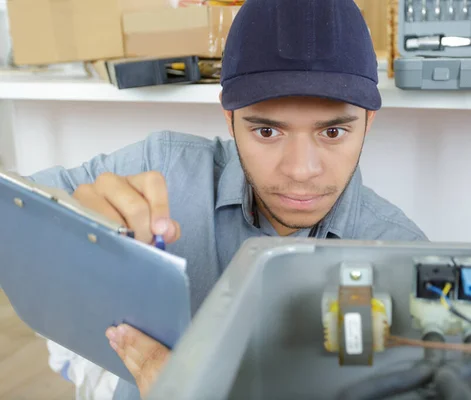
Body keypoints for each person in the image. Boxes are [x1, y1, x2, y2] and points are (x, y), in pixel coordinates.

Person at [27, 0, 427, 398]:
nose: (301, 170)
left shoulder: (405, 259)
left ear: (368, 122)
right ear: (229, 117)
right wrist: (66, 229)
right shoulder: (165, 168)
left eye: (333, 133)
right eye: (267, 132)